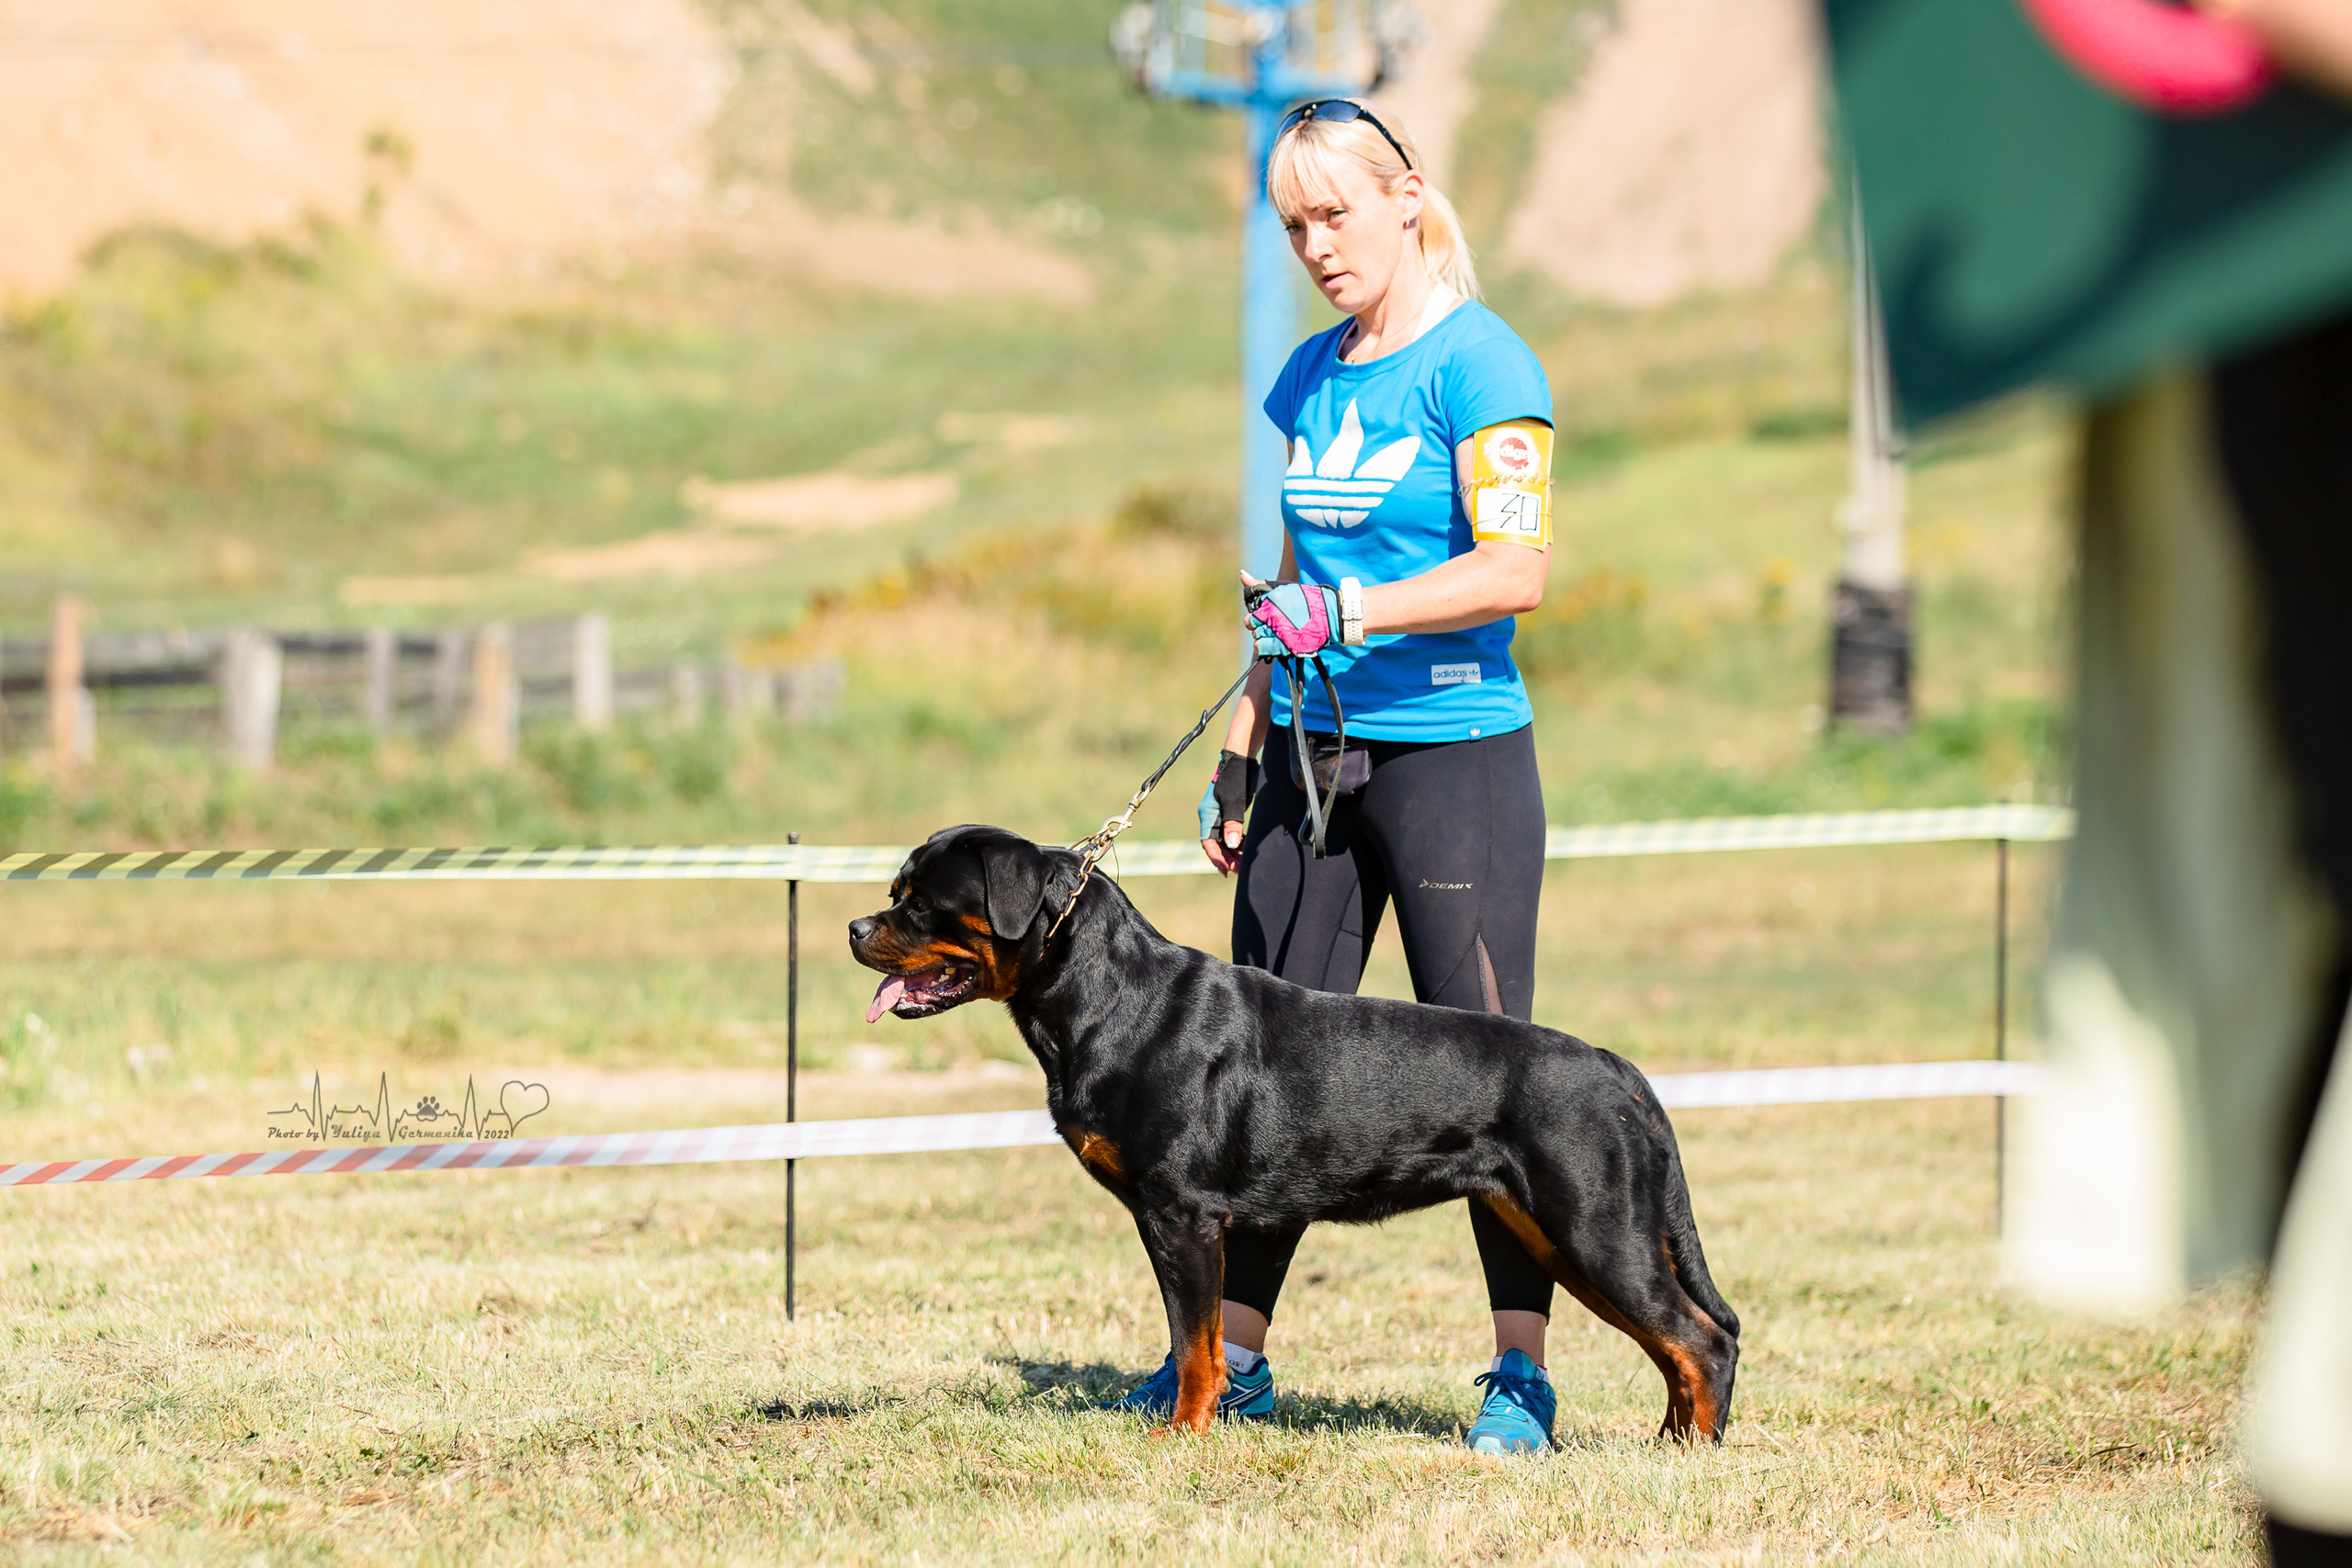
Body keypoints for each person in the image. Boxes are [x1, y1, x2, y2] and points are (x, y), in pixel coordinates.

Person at [1107, 99, 1566, 1456]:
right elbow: (1292, 585)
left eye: (1335, 214)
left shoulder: (1486, 365)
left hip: (1455, 755)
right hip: (1309, 757)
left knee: (1491, 1074)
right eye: (1294, 224)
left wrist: (1354, 616)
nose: (1316, 246)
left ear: (1406, 197)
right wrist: (1241, 752)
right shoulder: (1309, 374)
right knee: (1252, 1066)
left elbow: (1517, 570)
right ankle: (1232, 1362)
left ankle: (1520, 1378)